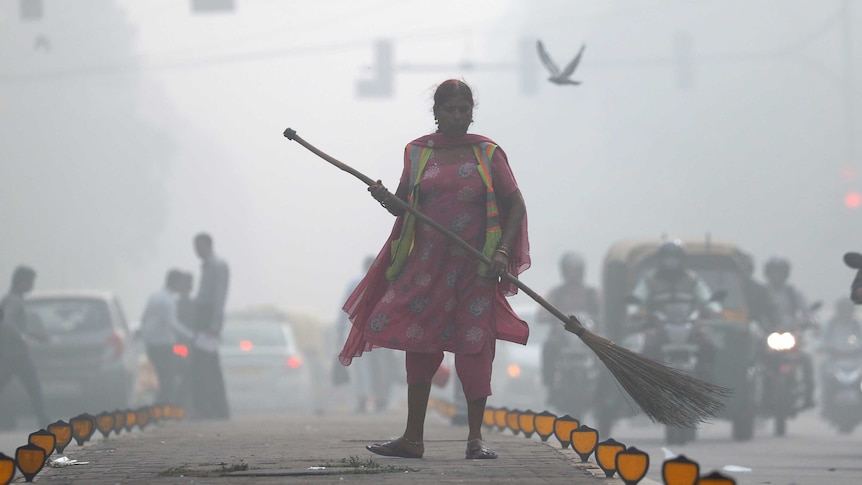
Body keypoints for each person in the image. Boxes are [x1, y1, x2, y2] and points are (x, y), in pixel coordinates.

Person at [339, 79, 530, 460]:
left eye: (464, 110)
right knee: (420, 345)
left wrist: (503, 252)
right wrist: (385, 199)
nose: (458, 116)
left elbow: (516, 206)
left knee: (475, 347)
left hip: (476, 271)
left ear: (471, 113)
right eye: (450, 109)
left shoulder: (487, 153)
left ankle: (475, 439)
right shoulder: (417, 152)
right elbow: (403, 205)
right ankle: (413, 438)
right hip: (426, 269)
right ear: (437, 113)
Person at [627, 240, 721, 376]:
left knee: (709, 345)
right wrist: (633, 312)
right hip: (658, 326)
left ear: (682, 259)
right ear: (660, 259)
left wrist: (715, 310)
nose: (671, 261)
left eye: (675, 257)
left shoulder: (692, 279)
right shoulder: (650, 279)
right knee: (645, 346)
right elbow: (637, 298)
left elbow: (706, 297)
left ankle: (707, 380)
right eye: (667, 257)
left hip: (689, 325)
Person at [336, 255, 398, 413]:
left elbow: (345, 308)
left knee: (362, 367)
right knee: (381, 367)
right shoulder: (387, 281)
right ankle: (381, 400)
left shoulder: (355, 282)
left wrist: (339, 331)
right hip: (382, 331)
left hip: (360, 330)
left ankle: (362, 399)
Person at [539, 252, 600, 408]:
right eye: (569, 270)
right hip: (562, 339)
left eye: (576, 270)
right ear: (564, 271)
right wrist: (545, 317)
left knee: (605, 353)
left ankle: (604, 390)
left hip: (587, 338)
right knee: (548, 347)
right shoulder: (556, 293)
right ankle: (550, 386)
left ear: (582, 270)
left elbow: (604, 311)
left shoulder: (591, 293)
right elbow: (542, 312)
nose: (573, 273)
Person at [763, 256, 816, 409]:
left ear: (785, 274)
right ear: (768, 274)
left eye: (780, 272)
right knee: (754, 362)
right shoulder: (763, 293)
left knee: (806, 360)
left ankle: (808, 397)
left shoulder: (793, 293)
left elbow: (807, 310)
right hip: (768, 335)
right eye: (774, 272)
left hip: (791, 336)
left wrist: (811, 321)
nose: (776, 276)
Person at [189, 233, 231, 419]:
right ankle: (212, 409)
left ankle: (215, 409)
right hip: (202, 318)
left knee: (207, 367)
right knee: (206, 366)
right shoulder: (206, 266)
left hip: (208, 320)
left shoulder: (218, 266)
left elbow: (219, 296)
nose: (196, 251)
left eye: (199, 246)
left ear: (208, 245)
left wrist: (215, 323)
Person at [0, 266, 49, 426]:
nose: (32, 285)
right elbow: (7, 323)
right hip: (14, 354)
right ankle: (44, 422)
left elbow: (15, 324)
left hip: (10, 353)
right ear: (21, 282)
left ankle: (44, 420)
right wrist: (22, 338)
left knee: (32, 386)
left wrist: (34, 335)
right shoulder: (13, 300)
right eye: (30, 281)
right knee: (34, 387)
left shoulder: (13, 299)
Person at [139, 269, 193, 405]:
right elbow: (172, 324)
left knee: (163, 379)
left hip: (151, 345)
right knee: (168, 380)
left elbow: (144, 318)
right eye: (181, 283)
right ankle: (162, 409)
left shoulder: (154, 296)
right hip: (165, 345)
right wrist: (191, 336)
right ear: (175, 283)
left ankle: (161, 409)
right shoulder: (169, 301)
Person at [741, 253, 778, 332]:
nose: (743, 272)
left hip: (756, 328)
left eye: (746, 268)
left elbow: (770, 310)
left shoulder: (759, 290)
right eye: (740, 269)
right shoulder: (725, 290)